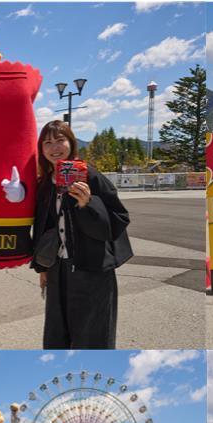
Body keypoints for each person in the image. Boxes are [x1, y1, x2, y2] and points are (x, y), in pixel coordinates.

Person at [28, 120, 132, 349]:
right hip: (57, 269)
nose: (54, 147)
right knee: (57, 333)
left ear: (71, 143)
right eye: (47, 142)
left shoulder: (90, 176)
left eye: (60, 140)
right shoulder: (45, 183)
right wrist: (43, 267)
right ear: (41, 149)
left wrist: (88, 204)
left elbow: (119, 218)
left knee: (93, 336)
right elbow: (42, 227)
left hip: (91, 268)